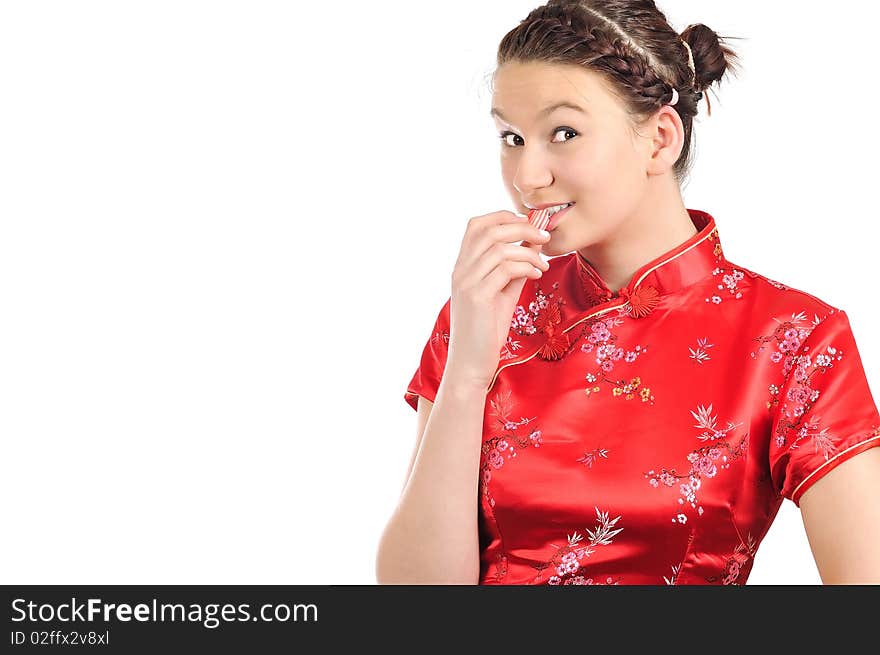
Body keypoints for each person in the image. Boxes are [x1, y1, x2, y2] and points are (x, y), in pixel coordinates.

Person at [376, 0, 880, 585]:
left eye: (562, 133)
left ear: (660, 139)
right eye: (511, 137)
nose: (527, 176)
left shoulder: (790, 336)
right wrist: (467, 370)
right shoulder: (484, 312)